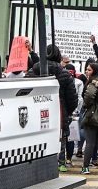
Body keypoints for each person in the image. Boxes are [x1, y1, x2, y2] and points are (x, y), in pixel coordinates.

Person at [28, 45, 80, 173]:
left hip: (36, 109)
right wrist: (68, 110)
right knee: (59, 136)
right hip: (59, 109)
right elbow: (72, 98)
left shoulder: (32, 71)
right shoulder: (65, 74)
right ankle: (60, 162)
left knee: (38, 135)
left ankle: (37, 162)